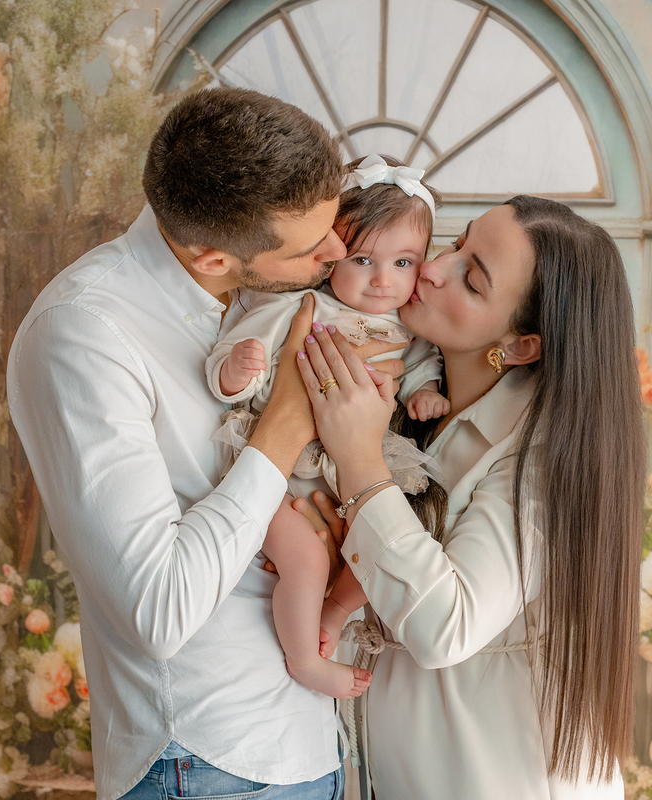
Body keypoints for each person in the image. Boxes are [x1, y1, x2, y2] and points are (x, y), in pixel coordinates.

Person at [7, 87, 399, 800]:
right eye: (313, 247)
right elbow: (157, 611)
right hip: (208, 760)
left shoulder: (263, 303)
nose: (340, 250)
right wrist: (281, 430)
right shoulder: (86, 334)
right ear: (213, 257)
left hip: (311, 738)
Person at [295, 196, 646, 799]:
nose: (432, 268)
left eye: (472, 278)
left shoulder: (543, 454)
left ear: (519, 346)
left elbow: (445, 625)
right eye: (456, 244)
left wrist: (359, 462)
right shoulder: (405, 396)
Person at [205, 154, 447, 699]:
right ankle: (306, 662)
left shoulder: (410, 327)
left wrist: (424, 392)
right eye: (363, 260)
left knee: (386, 549)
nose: (384, 281)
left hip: (349, 475)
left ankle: (332, 616)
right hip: (279, 477)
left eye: (404, 263)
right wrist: (235, 371)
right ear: (330, 254)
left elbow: (419, 368)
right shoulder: (302, 307)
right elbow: (232, 357)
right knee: (307, 559)